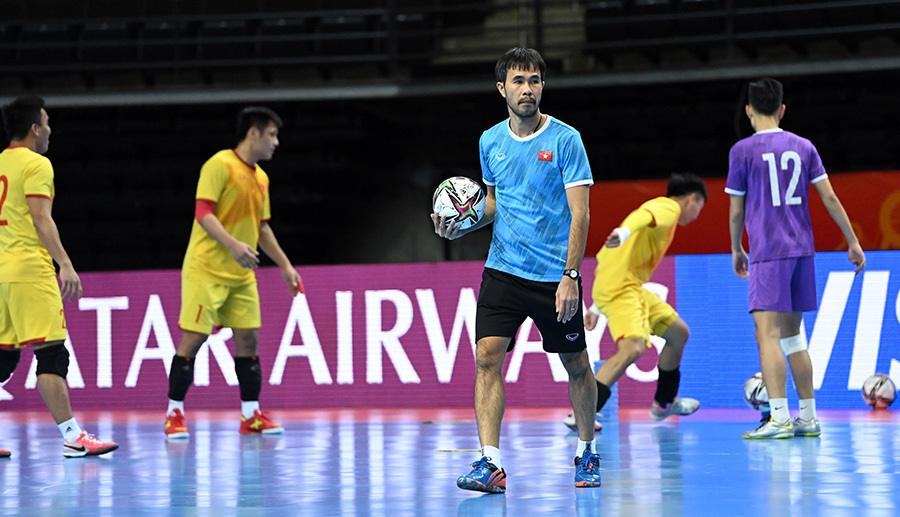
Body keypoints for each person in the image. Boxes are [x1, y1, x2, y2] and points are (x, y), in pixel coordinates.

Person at [433, 47, 600, 491]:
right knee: (486, 356)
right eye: (518, 81)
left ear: (542, 86)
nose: (527, 89)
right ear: (502, 88)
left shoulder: (566, 139)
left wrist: (571, 276)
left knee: (577, 364)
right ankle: (489, 463)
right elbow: (493, 203)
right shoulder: (490, 141)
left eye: (534, 81)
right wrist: (459, 225)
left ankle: (587, 451)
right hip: (503, 269)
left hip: (553, 276)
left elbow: (579, 213)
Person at [727, 78, 865, 439]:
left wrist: (737, 248)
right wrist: (852, 242)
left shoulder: (741, 151)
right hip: (802, 251)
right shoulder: (804, 146)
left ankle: (778, 417)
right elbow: (830, 198)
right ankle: (808, 416)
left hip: (769, 253)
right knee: (793, 337)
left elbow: (736, 211)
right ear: (782, 109)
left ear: (749, 110)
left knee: (767, 334)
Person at [164, 107, 303, 440]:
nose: (276, 142)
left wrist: (285, 265)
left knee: (248, 340)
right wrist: (233, 245)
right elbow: (203, 213)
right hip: (206, 269)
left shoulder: (261, 178)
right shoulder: (219, 164)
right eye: (271, 134)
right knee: (194, 339)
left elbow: (262, 227)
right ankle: (174, 414)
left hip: (240, 274)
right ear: (252, 133)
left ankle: (250, 416)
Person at [0, 96, 118, 457]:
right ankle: (73, 438)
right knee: (52, 356)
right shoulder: (37, 164)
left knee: (3, 360)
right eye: (46, 122)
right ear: (35, 128)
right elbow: (41, 218)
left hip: (1, 272)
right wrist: (64, 263)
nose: (50, 129)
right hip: (29, 271)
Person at [563, 174, 706, 433]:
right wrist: (624, 231)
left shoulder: (663, 221)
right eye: (699, 209)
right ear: (692, 199)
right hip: (623, 289)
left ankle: (664, 402)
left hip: (630, 287)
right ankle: (582, 412)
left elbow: (608, 261)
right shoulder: (669, 207)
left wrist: (597, 305)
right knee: (632, 349)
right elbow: (644, 214)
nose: (696, 215)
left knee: (678, 334)